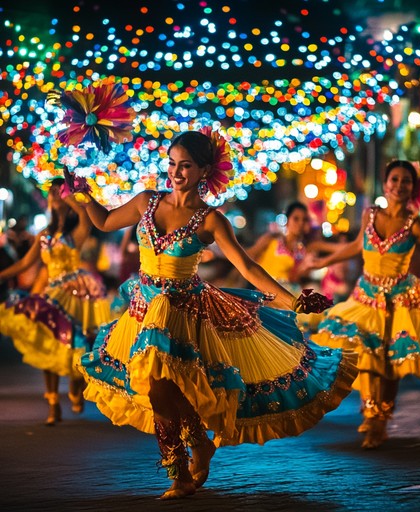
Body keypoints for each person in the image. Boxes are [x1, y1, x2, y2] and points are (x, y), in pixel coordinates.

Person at [73, 128, 358, 500]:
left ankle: (179, 476)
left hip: (183, 314)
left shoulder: (210, 220)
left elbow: (248, 266)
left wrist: (292, 301)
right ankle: (194, 448)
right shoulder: (146, 201)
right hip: (143, 311)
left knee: (162, 388)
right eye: (172, 164)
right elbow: (104, 221)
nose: (176, 173)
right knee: (157, 389)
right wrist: (81, 192)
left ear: (204, 170)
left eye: (185, 165)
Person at [308, 159, 420, 449]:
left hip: (399, 301)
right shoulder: (369, 215)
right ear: (386, 182)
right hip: (365, 298)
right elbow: (355, 247)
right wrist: (324, 261)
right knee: (364, 358)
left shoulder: (414, 224)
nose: (399, 185)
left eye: (406, 181)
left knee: (389, 364)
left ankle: (380, 420)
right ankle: (370, 413)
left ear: (413, 188)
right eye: (395, 179)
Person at [0, 177, 112, 425]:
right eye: (51, 193)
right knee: (46, 346)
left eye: (57, 192)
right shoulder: (43, 235)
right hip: (51, 294)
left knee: (77, 348)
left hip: (76, 294)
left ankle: (75, 387)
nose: (53, 196)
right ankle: (52, 403)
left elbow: (85, 219)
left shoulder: (76, 232)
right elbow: (25, 263)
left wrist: (71, 196)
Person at [247, 201, 337, 294]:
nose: (300, 223)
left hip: (288, 293)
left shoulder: (305, 248)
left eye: (304, 219)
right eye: (296, 219)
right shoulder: (272, 239)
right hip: (265, 292)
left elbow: (295, 278)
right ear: (287, 221)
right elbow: (247, 258)